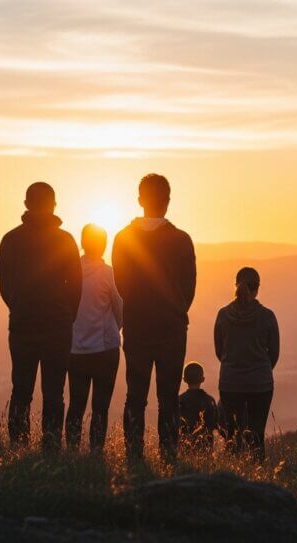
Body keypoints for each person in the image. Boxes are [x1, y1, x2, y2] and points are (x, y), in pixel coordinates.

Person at [113, 174, 197, 463]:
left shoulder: (123, 239)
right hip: (172, 328)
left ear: (140, 200)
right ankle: (168, 456)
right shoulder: (181, 240)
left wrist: (139, 305)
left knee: (135, 397)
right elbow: (189, 287)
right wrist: (174, 309)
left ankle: (134, 457)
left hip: (137, 325)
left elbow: (121, 283)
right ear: (168, 201)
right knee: (168, 398)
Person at [0, 183, 82, 452]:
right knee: (54, 392)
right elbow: (76, 285)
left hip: (22, 324)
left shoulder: (11, 239)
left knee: (21, 389)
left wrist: (19, 306)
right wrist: (67, 314)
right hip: (58, 324)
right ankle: (52, 447)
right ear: (53, 205)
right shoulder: (65, 240)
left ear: (26, 204)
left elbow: (4, 284)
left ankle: (18, 447)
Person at [65, 224, 123, 453]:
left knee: (76, 404)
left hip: (75, 349)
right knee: (101, 406)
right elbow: (120, 310)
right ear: (104, 245)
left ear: (82, 242)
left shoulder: (69, 273)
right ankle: (96, 452)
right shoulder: (109, 274)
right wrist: (113, 329)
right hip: (105, 350)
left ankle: (71, 450)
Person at [214, 267, 280, 462]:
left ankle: (232, 477)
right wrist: (260, 370)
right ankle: (257, 475)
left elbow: (220, 352)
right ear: (257, 288)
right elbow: (274, 354)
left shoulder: (223, 315)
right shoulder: (268, 316)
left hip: (230, 383)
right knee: (257, 435)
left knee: (232, 436)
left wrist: (233, 366)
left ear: (235, 285)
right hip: (260, 384)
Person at [178, 362, 219, 455]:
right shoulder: (209, 400)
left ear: (184, 379)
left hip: (184, 446)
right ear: (203, 379)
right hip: (205, 447)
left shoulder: (180, 400)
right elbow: (215, 423)